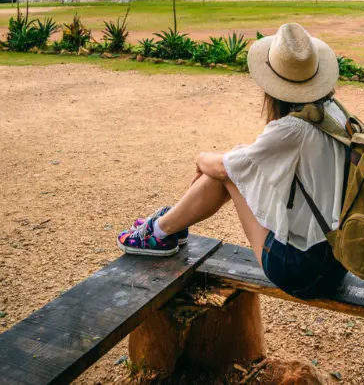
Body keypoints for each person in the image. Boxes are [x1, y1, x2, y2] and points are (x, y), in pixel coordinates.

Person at [117, 23, 350, 299]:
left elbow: (226, 168)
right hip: (337, 259)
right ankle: (168, 226)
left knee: (226, 172)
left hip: (303, 271)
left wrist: (200, 158)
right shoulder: (334, 112)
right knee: (235, 160)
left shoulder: (292, 129)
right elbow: (251, 160)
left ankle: (159, 231)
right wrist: (232, 157)